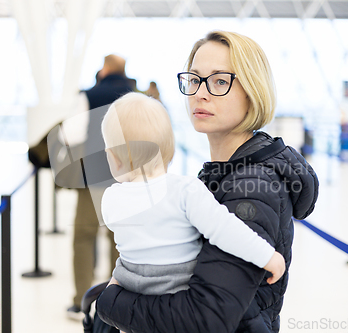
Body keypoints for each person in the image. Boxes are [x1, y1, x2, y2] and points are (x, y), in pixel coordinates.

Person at [95, 31, 319, 332]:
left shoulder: (254, 187)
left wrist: (108, 303)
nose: (201, 93)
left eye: (220, 81)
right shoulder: (218, 174)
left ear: (252, 90)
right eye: (194, 79)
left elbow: (204, 319)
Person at [100, 92, 285, 299]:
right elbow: (225, 230)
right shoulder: (186, 190)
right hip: (178, 290)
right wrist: (267, 256)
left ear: (114, 159)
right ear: (169, 148)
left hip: (130, 287)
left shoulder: (111, 199)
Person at [67, 54, 134, 320]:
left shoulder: (89, 96)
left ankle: (81, 300)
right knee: (120, 238)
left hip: (92, 176)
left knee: (84, 236)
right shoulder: (134, 97)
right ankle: (120, 296)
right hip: (127, 177)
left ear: (104, 69)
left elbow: (72, 135)